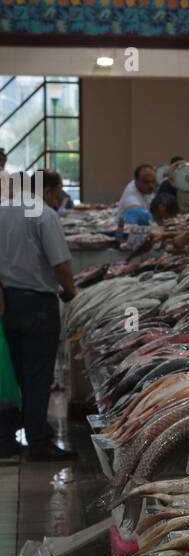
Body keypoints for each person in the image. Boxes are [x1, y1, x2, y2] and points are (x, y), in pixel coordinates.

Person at [0, 170, 78, 462]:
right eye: (57, 193)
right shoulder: (44, 215)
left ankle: (5, 440)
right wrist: (70, 291)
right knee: (36, 375)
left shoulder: (1, 211)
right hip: (38, 306)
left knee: (10, 374)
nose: (58, 199)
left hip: (7, 303)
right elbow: (60, 265)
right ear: (45, 190)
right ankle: (39, 442)